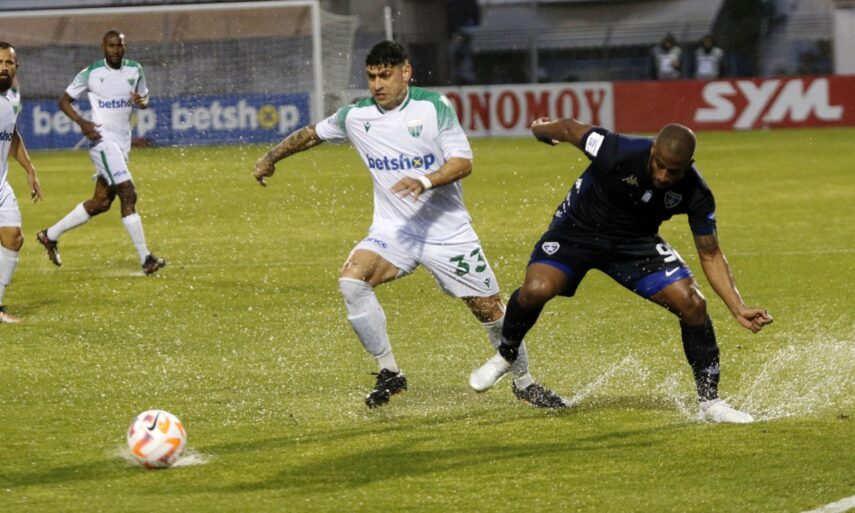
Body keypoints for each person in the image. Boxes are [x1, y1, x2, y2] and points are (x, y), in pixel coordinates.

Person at [253, 41, 565, 409]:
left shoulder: (433, 108)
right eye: (371, 77)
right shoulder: (356, 116)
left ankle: (524, 383)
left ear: (406, 72)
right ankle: (390, 372)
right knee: (352, 280)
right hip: (394, 232)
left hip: (447, 233)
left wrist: (425, 180)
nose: (377, 85)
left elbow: (463, 162)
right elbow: (312, 133)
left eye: (385, 75)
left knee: (491, 312)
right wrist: (271, 157)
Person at [469, 118, 774, 423]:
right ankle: (506, 354)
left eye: (674, 171)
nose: (664, 176)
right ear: (652, 150)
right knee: (537, 289)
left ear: (689, 165)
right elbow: (570, 129)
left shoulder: (696, 191)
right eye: (660, 165)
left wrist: (737, 306)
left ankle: (710, 403)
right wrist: (541, 130)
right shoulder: (617, 150)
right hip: (578, 229)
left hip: (634, 243)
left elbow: (710, 252)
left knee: (693, 304)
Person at [36, 30, 165, 275]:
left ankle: (49, 235)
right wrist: (82, 123)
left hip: (122, 143)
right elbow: (64, 101)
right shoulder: (91, 73)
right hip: (101, 141)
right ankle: (146, 258)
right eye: (111, 46)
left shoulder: (135, 69)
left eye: (120, 45)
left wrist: (142, 102)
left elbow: (145, 99)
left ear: (124, 46)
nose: (116, 50)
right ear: (103, 47)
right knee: (128, 193)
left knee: (102, 202)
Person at [0, 42, 44, 323]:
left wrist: (30, 168)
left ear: (16, 67)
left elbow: (11, 134)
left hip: (0, 183)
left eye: (8, 63)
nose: (3, 67)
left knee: (13, 238)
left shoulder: (13, 98)